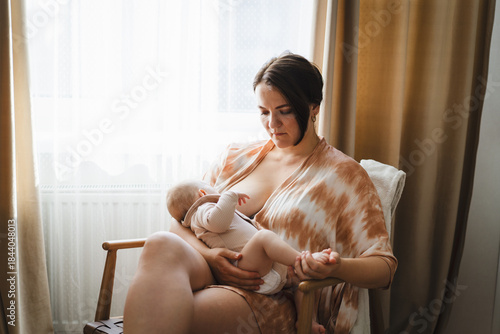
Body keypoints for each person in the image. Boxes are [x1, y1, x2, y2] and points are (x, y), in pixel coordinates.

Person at [124, 52, 397, 334]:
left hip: (272, 292)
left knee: (172, 312)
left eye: (285, 110)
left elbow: (383, 268)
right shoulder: (235, 156)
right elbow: (180, 223)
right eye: (264, 112)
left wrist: (335, 267)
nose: (272, 124)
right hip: (211, 267)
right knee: (160, 243)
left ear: (313, 107)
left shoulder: (343, 175)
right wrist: (211, 255)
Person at [166, 179, 335, 333]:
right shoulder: (201, 210)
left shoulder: (199, 215)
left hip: (259, 269)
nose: (218, 191)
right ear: (202, 194)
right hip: (243, 267)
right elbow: (217, 222)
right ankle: (304, 259)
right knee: (264, 237)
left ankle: (308, 321)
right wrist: (229, 196)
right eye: (213, 188)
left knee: (301, 281)